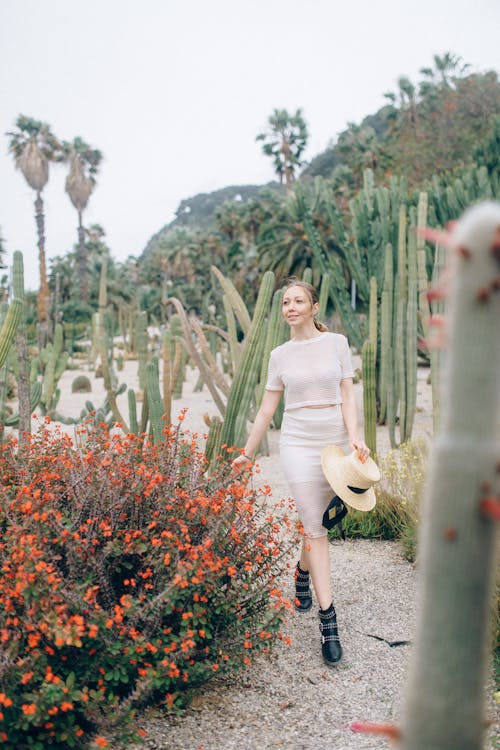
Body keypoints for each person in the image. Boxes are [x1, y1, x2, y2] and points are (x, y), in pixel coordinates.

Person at [231, 278, 370, 666]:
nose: (290, 307)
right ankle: (329, 624)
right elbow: (265, 411)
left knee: (318, 525)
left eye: (298, 301)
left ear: (313, 307)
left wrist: (356, 440)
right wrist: (247, 453)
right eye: (285, 302)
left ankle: (301, 571)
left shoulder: (337, 344)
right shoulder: (279, 355)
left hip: (333, 444)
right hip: (296, 443)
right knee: (314, 527)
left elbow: (346, 395)